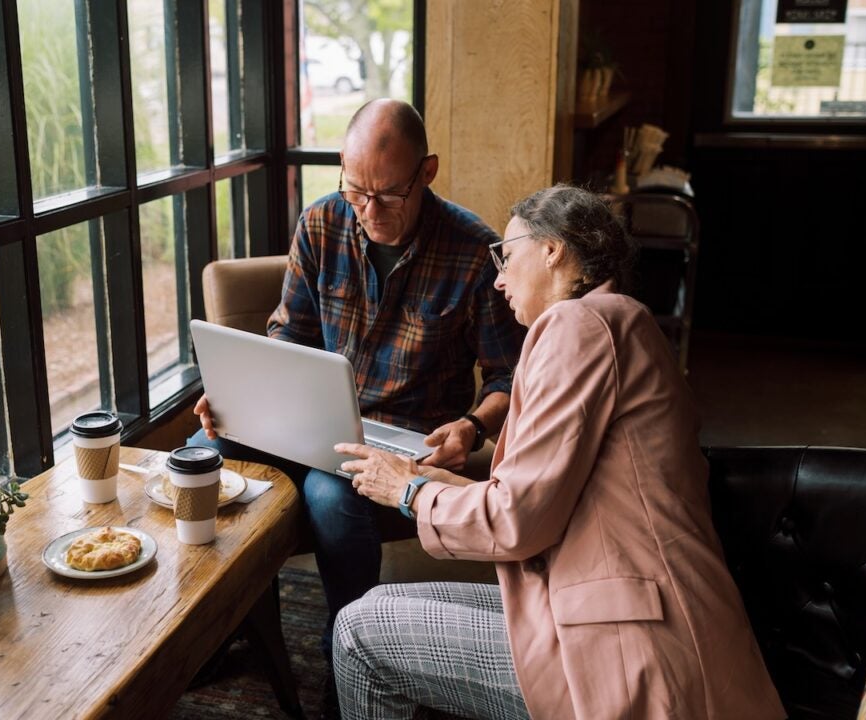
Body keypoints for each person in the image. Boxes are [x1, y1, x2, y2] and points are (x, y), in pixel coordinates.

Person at [332, 184, 785, 720]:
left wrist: (409, 491)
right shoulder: (619, 321)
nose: (498, 278)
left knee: (358, 633)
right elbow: (534, 496)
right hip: (613, 604)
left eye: (506, 255)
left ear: (552, 250)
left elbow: (517, 520)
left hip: (627, 640)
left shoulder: (578, 325)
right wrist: (415, 477)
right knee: (373, 606)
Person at [190, 98, 524, 653]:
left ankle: (349, 652)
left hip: (399, 442)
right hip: (307, 418)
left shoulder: (471, 251)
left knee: (330, 497)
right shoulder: (321, 221)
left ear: (428, 172)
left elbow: (510, 377)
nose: (368, 210)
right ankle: (231, 629)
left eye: (389, 193)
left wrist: (470, 426)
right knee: (199, 455)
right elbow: (288, 334)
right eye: (356, 190)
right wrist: (238, 396)